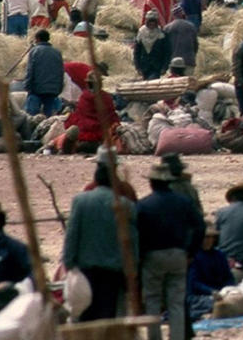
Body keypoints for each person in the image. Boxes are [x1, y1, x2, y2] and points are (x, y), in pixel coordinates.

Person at [138, 163, 204, 340]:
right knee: (175, 301)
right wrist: (191, 251)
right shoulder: (183, 202)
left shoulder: (144, 205)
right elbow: (199, 226)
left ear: (151, 183)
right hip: (178, 255)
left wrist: (141, 256)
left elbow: (138, 234)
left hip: (153, 256)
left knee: (152, 299)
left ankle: (154, 337)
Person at [64, 157, 136, 320]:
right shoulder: (126, 204)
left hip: (86, 270)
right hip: (114, 272)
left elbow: (72, 234)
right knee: (109, 318)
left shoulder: (81, 201)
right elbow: (132, 241)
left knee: (85, 318)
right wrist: (132, 269)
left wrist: (69, 263)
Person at [63, 76, 119, 155]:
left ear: (88, 84)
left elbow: (77, 116)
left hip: (81, 140)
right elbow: (112, 117)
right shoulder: (106, 97)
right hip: (102, 140)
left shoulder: (84, 97)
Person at [23, 30, 65, 116]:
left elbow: (30, 70)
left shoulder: (34, 51)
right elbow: (61, 71)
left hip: (37, 89)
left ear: (37, 39)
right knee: (50, 115)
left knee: (31, 116)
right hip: (53, 89)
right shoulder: (57, 52)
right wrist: (59, 88)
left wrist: (27, 86)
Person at [134, 13, 172, 80]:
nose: (152, 25)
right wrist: (138, 67)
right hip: (144, 66)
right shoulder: (141, 33)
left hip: (156, 66)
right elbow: (137, 52)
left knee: (152, 81)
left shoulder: (162, 35)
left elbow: (167, 52)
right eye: (150, 22)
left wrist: (164, 67)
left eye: (154, 22)